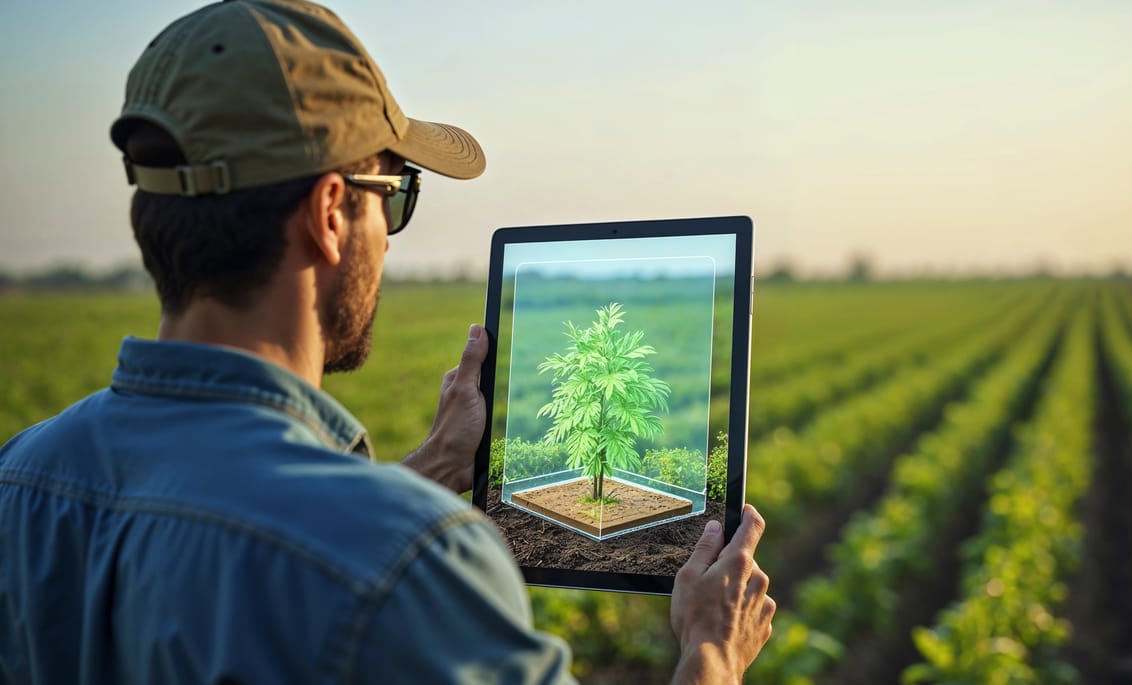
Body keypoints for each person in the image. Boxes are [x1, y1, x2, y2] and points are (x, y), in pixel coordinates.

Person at [0, 1, 775, 683]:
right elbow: (342, 555)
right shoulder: (410, 561)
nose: (392, 237)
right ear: (330, 212)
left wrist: (436, 465)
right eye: (395, 195)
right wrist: (710, 651)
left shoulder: (21, 479)